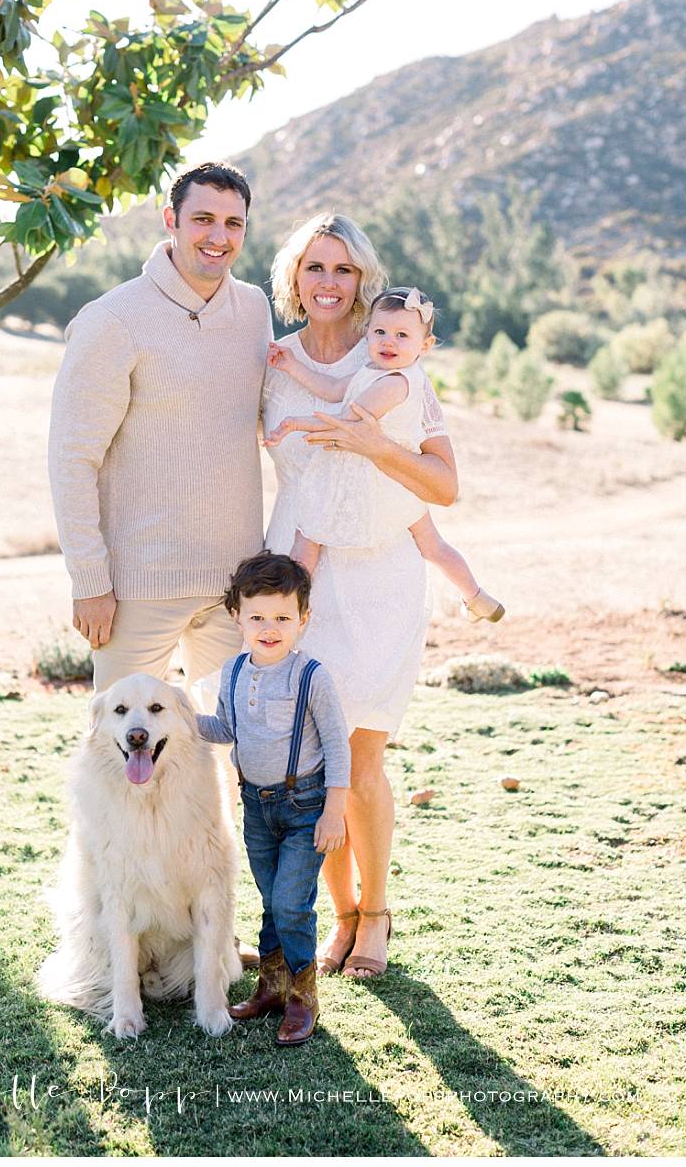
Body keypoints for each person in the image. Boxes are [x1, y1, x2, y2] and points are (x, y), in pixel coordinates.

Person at [262, 212, 461, 980]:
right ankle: (337, 916)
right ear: (294, 277)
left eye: (343, 270)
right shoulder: (272, 364)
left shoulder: (397, 365)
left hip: (378, 571)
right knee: (307, 761)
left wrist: (376, 442)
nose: (328, 283)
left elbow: (446, 485)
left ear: (363, 281)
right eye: (315, 267)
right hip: (298, 563)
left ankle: (375, 914)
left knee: (363, 751)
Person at [48, 160, 272, 699]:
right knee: (125, 757)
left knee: (236, 750)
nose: (218, 237)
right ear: (170, 217)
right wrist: (90, 581)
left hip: (235, 585)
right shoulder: (112, 319)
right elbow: (73, 458)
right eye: (203, 219)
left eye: (233, 224)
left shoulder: (254, 310)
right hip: (136, 588)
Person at [265, 285, 504, 622]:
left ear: (425, 346)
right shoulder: (372, 372)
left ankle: (289, 606)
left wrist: (294, 423)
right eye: (380, 332)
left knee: (307, 536)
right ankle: (476, 597)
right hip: (391, 482)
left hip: (379, 480)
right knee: (431, 544)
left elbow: (348, 421)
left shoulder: (398, 383)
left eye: (402, 335)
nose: (388, 341)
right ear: (367, 335)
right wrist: (292, 366)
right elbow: (334, 390)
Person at [195, 552, 350, 1045]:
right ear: (236, 616)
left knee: (291, 902)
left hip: (306, 807)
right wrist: (177, 718)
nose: (269, 627)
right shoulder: (234, 671)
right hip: (256, 808)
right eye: (257, 616)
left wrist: (334, 811)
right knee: (271, 900)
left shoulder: (312, 676)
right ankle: (272, 986)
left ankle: (303, 999)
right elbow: (224, 728)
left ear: (303, 619)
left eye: (282, 617)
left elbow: (337, 746)